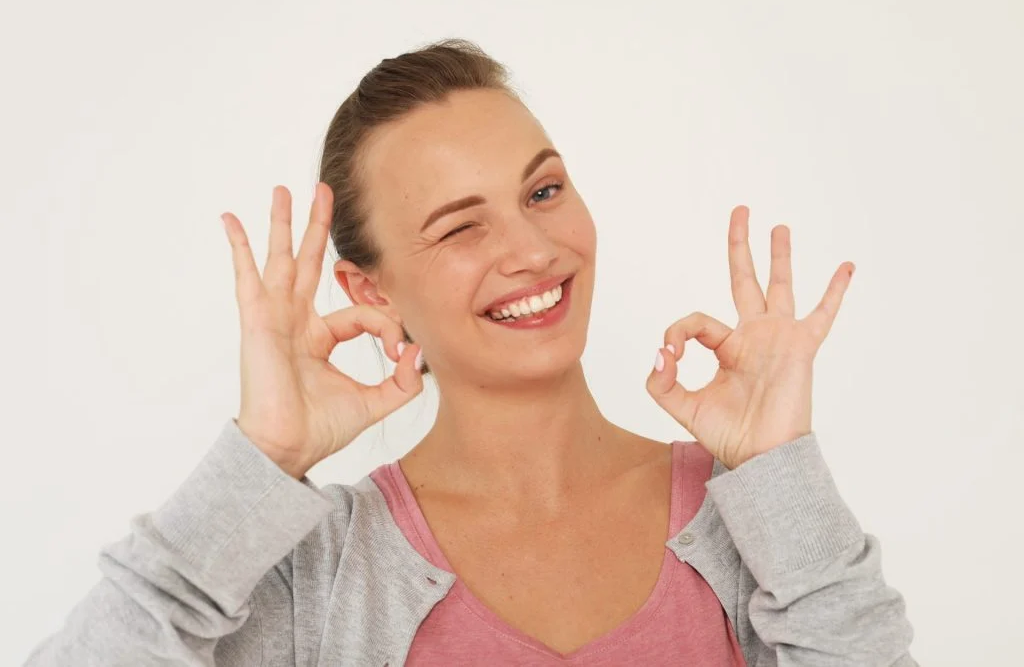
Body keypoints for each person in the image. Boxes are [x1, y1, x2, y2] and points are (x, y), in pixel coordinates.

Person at [24, 38, 917, 666]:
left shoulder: (742, 517)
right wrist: (262, 459)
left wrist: (782, 476)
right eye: (460, 227)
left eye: (543, 189)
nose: (531, 250)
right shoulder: (326, 572)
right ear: (372, 293)